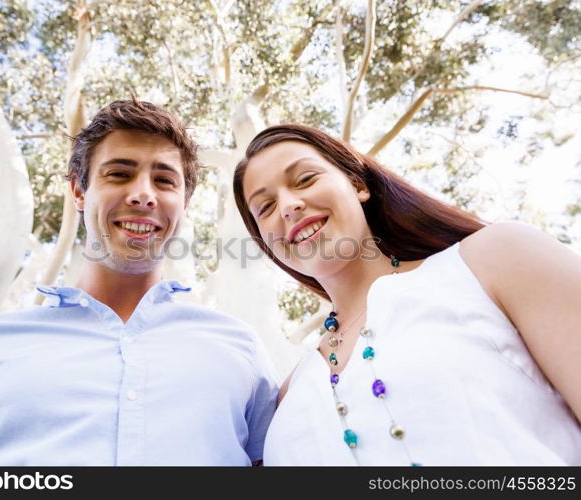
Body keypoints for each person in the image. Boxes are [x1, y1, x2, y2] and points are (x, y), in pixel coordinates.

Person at [0, 99, 278, 466]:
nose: (143, 194)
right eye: (119, 174)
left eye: (164, 181)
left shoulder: (240, 350)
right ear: (78, 191)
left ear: (185, 204)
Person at [233, 123, 581, 465]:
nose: (288, 206)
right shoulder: (290, 394)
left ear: (357, 185)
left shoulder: (493, 259)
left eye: (306, 179)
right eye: (265, 207)